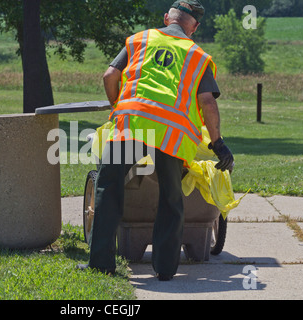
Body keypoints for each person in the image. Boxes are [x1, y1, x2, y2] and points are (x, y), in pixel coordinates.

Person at [77, 0, 234, 281]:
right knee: (171, 197)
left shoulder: (140, 40)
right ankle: (165, 269)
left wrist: (117, 106)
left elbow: (110, 74)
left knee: (108, 185)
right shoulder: (197, 56)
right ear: (194, 27)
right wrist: (218, 143)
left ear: (166, 18)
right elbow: (207, 101)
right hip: (172, 134)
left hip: (132, 123)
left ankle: (101, 263)